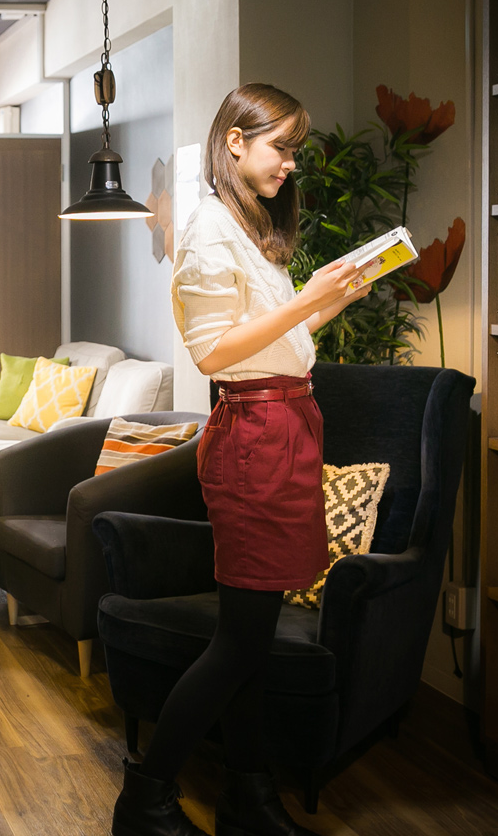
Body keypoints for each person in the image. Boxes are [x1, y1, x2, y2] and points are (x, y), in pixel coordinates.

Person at [113, 85, 372, 836]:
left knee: (253, 641)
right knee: (240, 643)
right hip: (256, 438)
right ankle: (147, 796)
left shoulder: (247, 230)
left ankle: (248, 796)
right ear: (234, 143)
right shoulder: (207, 232)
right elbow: (212, 354)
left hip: (286, 426)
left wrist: (331, 298)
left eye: (294, 151)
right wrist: (303, 303)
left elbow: (273, 340)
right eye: (280, 149)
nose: (290, 164)